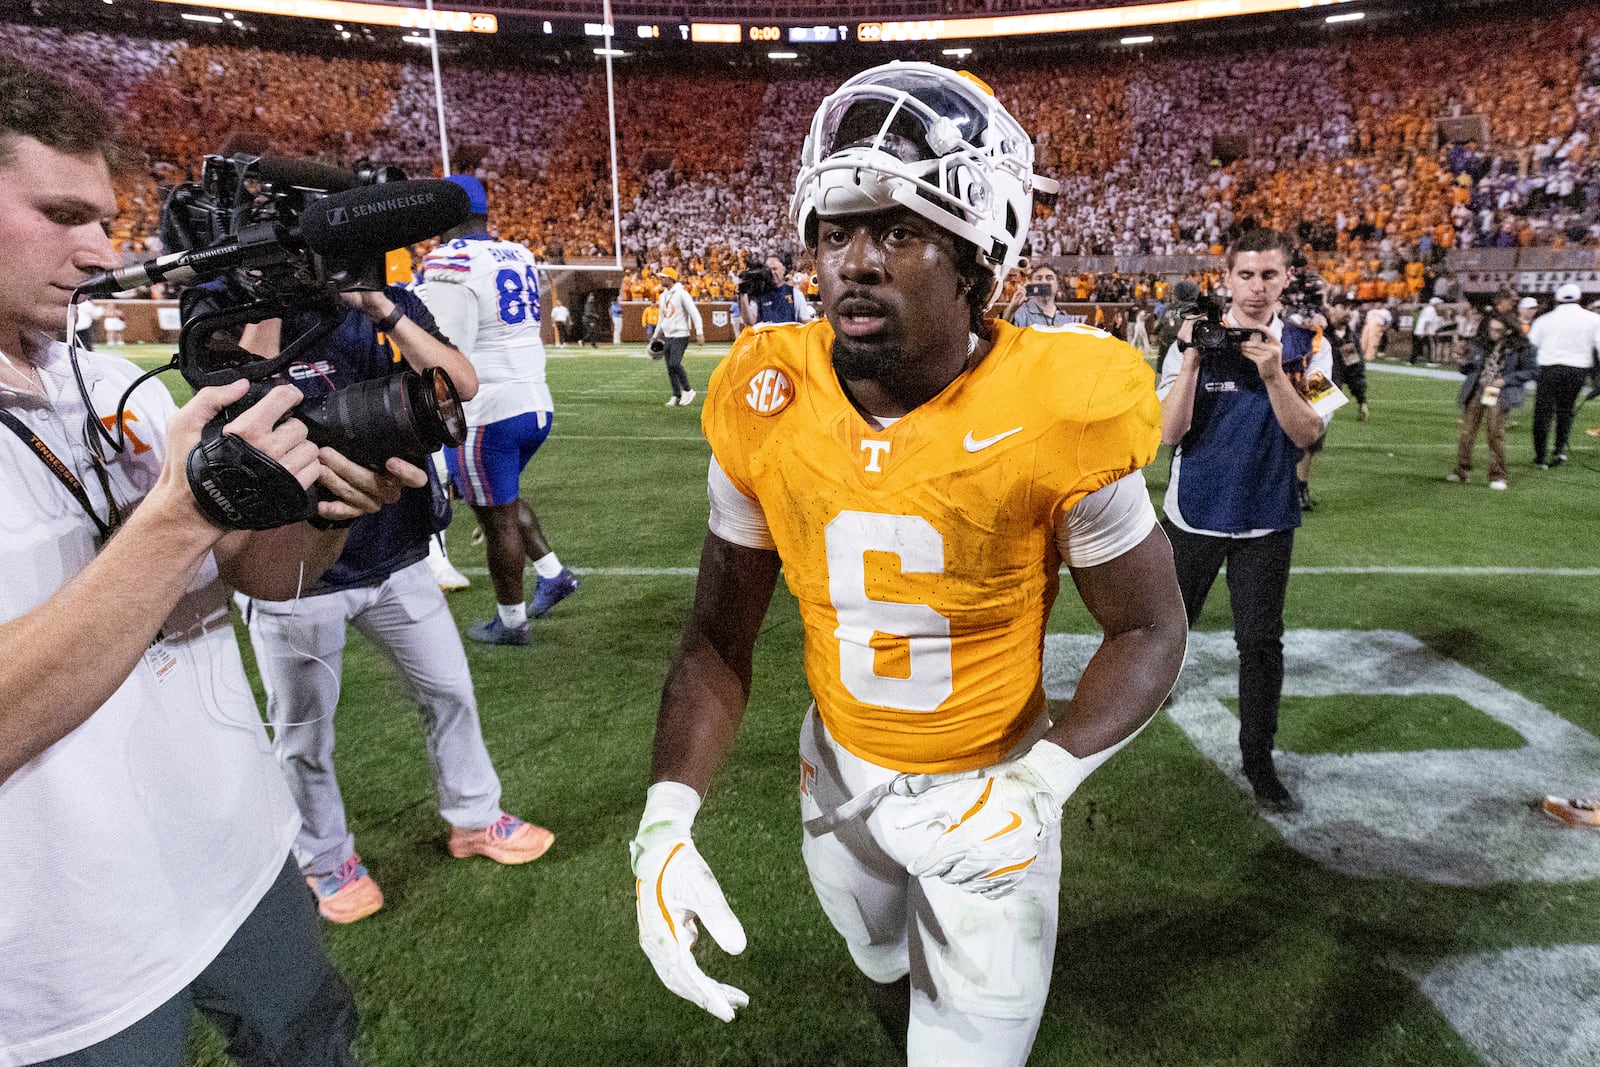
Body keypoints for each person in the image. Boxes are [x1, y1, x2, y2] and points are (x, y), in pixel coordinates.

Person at [628, 62, 1187, 1067]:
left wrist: (1041, 785)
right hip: (834, 769)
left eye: (897, 230)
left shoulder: (1057, 402)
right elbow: (717, 636)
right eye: (836, 232)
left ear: (978, 256)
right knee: (879, 962)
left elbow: (1149, 626)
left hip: (991, 779)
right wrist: (665, 817)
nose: (856, 262)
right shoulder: (768, 393)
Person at [0, 58, 417, 1065]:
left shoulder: (110, 380)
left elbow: (264, 577)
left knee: (317, 1043)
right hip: (61, 954)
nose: (100, 249)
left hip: (239, 857)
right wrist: (177, 518)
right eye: (62, 214)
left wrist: (323, 509)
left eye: (105, 217)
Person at [223, 266, 554, 925]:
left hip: (395, 549)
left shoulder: (380, 304)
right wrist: (269, 299)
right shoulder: (230, 302)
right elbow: (236, 409)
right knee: (304, 731)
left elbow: (459, 383)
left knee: (450, 693)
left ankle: (475, 818)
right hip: (296, 564)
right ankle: (326, 860)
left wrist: (380, 306)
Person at [1158, 227, 1337, 814]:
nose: (1257, 287)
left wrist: (1273, 374)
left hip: (1266, 514)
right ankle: (1128, 717)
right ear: (1226, 278)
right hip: (1195, 511)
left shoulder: (1311, 344)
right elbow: (1169, 434)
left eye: (1269, 275)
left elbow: (1312, 433)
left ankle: (1260, 764)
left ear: (1287, 278)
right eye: (1245, 275)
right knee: (1164, 632)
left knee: (1260, 645)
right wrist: (1189, 360)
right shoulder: (1193, 338)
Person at [419, 174, 579, 646]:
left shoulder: (450, 261)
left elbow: (447, 349)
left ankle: (510, 622)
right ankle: (553, 575)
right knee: (500, 501)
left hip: (488, 411)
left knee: (496, 519)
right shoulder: (519, 253)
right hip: (535, 403)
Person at [1447, 313, 1536, 490]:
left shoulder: (1522, 347)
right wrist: (1460, 359)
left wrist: (1505, 380)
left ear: (1509, 330)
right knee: (1467, 432)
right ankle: (1462, 470)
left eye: (1498, 330)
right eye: (1491, 329)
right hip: (1478, 389)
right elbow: (1469, 369)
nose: (1493, 333)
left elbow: (1532, 371)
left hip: (1499, 392)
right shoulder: (1481, 344)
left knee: (1495, 434)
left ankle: (1498, 475)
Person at [1527, 282, 1600, 469]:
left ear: (1557, 300)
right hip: (1577, 369)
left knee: (1543, 413)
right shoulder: (1593, 319)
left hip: (1549, 368)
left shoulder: (1545, 319)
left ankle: (1540, 456)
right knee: (1566, 410)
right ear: (1579, 299)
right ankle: (1559, 450)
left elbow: (1531, 344)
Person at [655, 265, 703, 406]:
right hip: (668, 335)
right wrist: (656, 335)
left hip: (681, 334)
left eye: (663, 277)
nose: (660, 279)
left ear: (670, 278)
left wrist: (699, 332)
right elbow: (661, 318)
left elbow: (694, 312)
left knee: (674, 363)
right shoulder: (663, 296)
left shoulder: (682, 293)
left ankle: (688, 390)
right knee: (670, 368)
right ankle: (676, 394)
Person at [738, 254, 809, 328]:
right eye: (768, 270)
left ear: (783, 269)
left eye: (775, 269)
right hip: (765, 337)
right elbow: (749, 323)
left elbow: (805, 321)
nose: (772, 272)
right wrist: (743, 293)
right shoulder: (759, 294)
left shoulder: (794, 293)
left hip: (787, 337)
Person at [1326, 299, 1368, 421]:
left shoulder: (1350, 339)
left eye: (1350, 308)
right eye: (1343, 307)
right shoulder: (1319, 333)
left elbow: (1354, 371)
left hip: (1329, 395)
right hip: (1310, 389)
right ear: (1331, 309)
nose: (1348, 312)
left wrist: (1362, 401)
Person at [1007, 263, 1074, 328]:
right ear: (1030, 284)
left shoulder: (1065, 319)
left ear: (1057, 285)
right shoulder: (1020, 313)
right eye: (1038, 278)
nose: (1044, 282)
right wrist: (1011, 309)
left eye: (1049, 278)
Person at [1411, 295, 1443, 364]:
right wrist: (1425, 331)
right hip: (1427, 332)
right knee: (1431, 346)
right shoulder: (1431, 310)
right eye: (1438, 304)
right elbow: (1427, 321)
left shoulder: (1426, 309)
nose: (1439, 306)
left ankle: (1412, 360)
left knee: (1417, 346)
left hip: (1419, 331)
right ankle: (1431, 361)